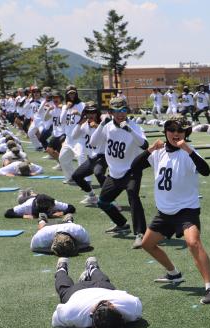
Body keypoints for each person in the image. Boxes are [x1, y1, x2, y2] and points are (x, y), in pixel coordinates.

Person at [131, 116, 210, 305]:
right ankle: (174, 273)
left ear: (186, 133)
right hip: (164, 212)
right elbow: (134, 166)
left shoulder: (189, 152)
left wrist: (187, 149)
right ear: (165, 131)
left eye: (180, 130)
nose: (175, 133)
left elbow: (206, 171)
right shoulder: (158, 153)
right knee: (147, 244)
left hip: (186, 210)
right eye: (171, 129)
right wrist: (151, 149)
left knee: (193, 243)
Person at [89, 97, 149, 249]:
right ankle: (121, 224)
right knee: (102, 202)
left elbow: (144, 145)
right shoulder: (108, 126)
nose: (120, 114)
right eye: (116, 111)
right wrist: (102, 123)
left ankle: (140, 233)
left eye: (123, 110)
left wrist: (128, 129)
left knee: (133, 196)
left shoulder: (133, 126)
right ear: (111, 112)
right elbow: (93, 143)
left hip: (131, 170)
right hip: (114, 172)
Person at [51, 255, 142, 328]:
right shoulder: (72, 315)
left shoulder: (132, 308)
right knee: (64, 289)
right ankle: (62, 269)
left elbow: (55, 319)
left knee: (103, 282)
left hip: (101, 289)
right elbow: (56, 320)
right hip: (78, 293)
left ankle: (92, 267)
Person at [70, 102, 104, 206]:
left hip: (104, 156)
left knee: (98, 173)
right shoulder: (85, 125)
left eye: (93, 112)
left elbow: (111, 133)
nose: (91, 114)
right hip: (92, 158)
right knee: (76, 176)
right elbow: (74, 136)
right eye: (88, 112)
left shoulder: (104, 123)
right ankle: (92, 196)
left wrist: (98, 126)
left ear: (97, 112)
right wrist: (80, 122)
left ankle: (111, 200)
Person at [58, 85, 87, 184]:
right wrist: (66, 108)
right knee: (63, 158)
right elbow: (61, 121)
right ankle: (71, 177)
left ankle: (86, 180)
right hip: (68, 138)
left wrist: (79, 114)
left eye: (73, 93)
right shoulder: (65, 106)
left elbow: (87, 117)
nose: (72, 95)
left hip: (79, 137)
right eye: (70, 93)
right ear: (66, 94)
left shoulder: (82, 105)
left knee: (80, 157)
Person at [5, 191, 75, 218]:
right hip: (27, 200)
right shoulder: (26, 206)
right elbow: (8, 213)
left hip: (37, 198)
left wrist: (62, 212)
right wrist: (24, 216)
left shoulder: (54, 203)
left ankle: (34, 194)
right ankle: (28, 193)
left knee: (37, 195)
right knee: (20, 199)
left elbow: (71, 207)